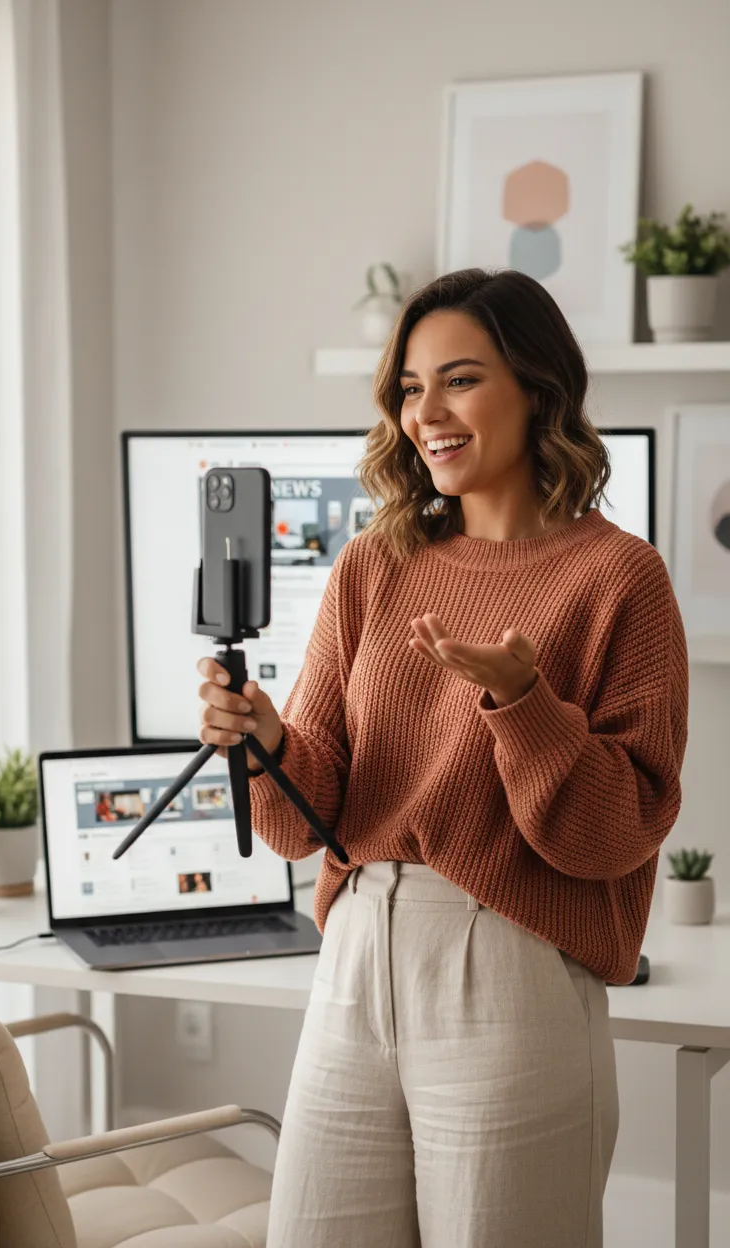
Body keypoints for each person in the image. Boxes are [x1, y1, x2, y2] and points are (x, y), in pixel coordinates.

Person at [196, 269, 689, 1248]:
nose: (427, 413)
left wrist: (521, 702)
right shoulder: (373, 563)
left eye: (458, 380)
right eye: (410, 388)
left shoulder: (615, 578)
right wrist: (263, 744)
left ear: (537, 389)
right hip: (352, 956)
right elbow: (305, 821)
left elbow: (613, 837)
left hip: (507, 968)